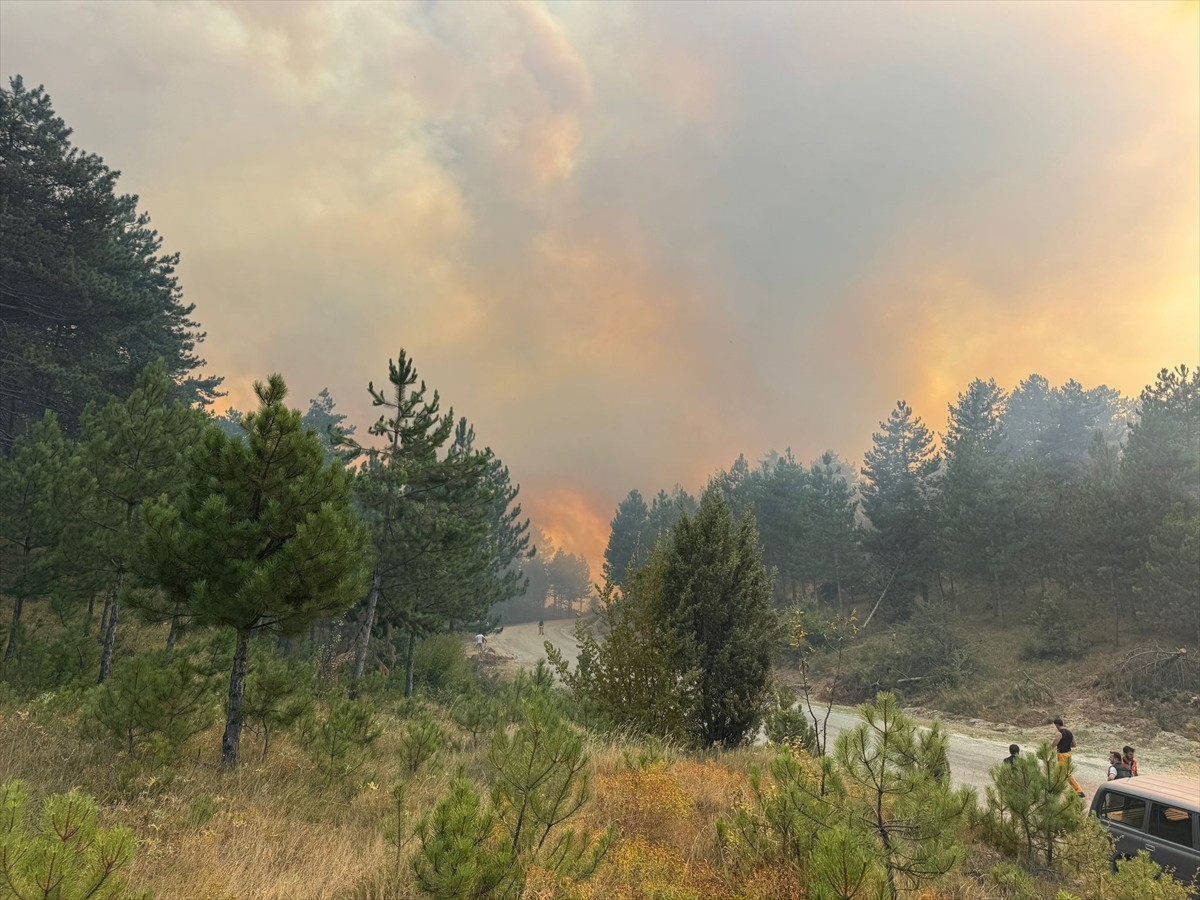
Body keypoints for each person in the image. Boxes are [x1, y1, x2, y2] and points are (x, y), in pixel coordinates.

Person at [1052, 717, 1085, 796]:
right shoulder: (1070, 733)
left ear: (1056, 725)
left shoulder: (1059, 733)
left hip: (1061, 755)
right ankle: (1057, 788)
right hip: (1068, 754)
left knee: (1065, 773)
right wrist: (1066, 744)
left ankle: (1079, 790)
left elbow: (1055, 743)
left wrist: (1047, 749)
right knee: (1062, 773)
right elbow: (1074, 744)